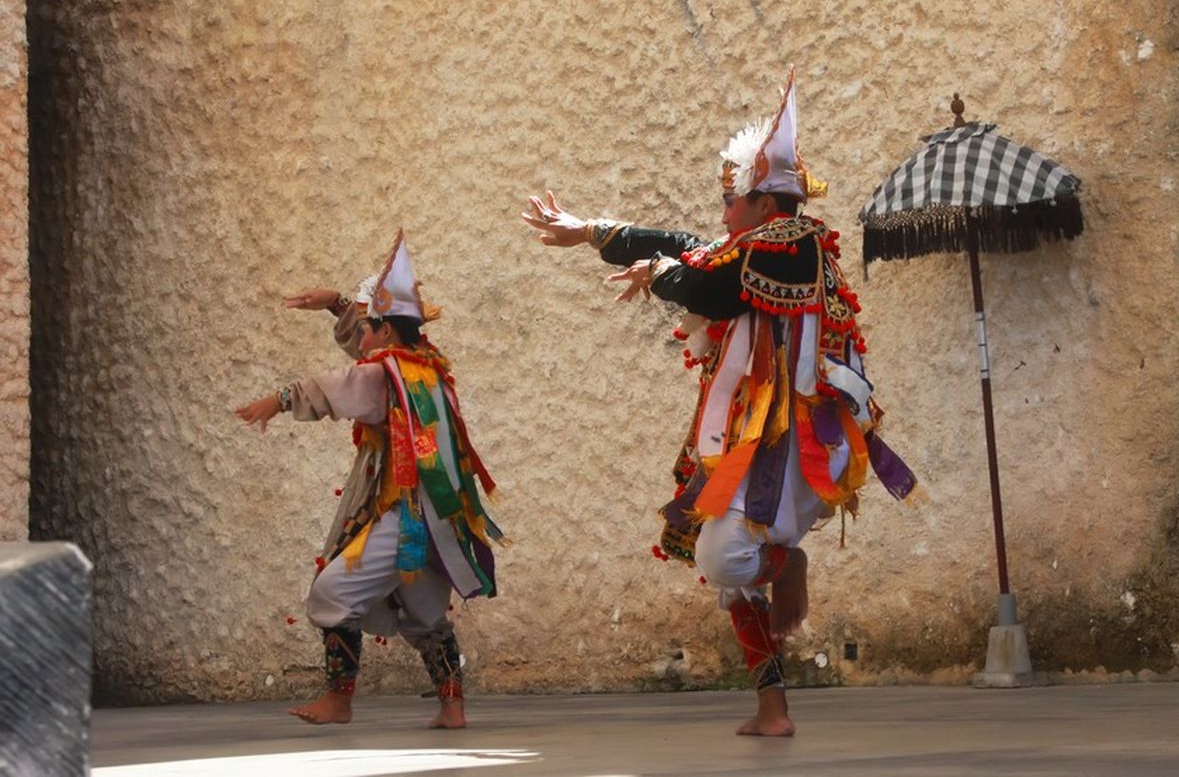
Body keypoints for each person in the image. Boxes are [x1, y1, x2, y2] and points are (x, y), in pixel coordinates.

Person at [521, 68, 917, 736]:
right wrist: (592, 231)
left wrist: (660, 277)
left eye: (731, 200)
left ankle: (789, 563)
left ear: (764, 204)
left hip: (794, 444)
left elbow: (707, 288)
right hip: (756, 442)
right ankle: (773, 709)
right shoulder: (753, 246)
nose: (722, 214)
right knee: (731, 575)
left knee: (721, 558)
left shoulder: (795, 247)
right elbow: (684, 250)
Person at [236, 230, 503, 729]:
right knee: (426, 615)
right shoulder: (427, 365)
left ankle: (338, 700)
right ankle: (452, 709)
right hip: (439, 521)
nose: (361, 340)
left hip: (407, 516)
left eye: (366, 329)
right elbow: (364, 355)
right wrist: (336, 303)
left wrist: (279, 399)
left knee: (332, 594)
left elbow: (338, 386)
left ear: (384, 331)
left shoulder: (384, 372)